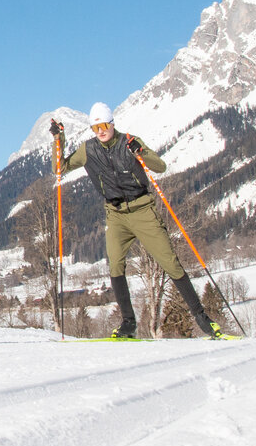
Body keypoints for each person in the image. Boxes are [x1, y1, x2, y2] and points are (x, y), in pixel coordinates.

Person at [50, 102, 223, 339]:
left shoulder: (129, 142)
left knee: (170, 263)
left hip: (142, 211)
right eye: (95, 128)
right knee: (115, 265)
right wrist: (58, 140)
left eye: (103, 126)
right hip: (115, 214)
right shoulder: (88, 150)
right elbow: (59, 168)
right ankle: (128, 324)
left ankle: (204, 321)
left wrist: (140, 152)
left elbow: (159, 166)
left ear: (112, 124)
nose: (100, 131)